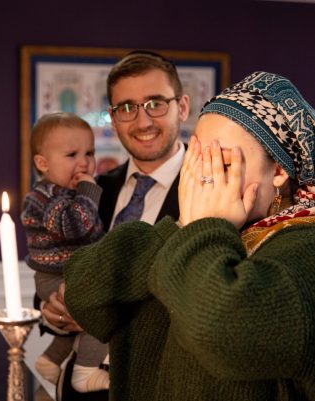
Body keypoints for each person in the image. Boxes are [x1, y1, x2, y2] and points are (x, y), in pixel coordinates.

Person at [63, 71, 315, 401]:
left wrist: (204, 227)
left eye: (219, 162)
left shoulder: (303, 246)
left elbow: (218, 329)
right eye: (197, 161)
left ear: (279, 170)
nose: (202, 181)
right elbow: (83, 295)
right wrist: (182, 225)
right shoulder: (194, 229)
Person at [41, 50, 190, 400]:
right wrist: (51, 309)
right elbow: (55, 262)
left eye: (155, 103)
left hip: (157, 386)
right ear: (112, 116)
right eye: (126, 107)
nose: (142, 122)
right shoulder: (92, 190)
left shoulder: (212, 194)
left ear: (182, 107)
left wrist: (99, 313)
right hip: (78, 386)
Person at [20, 112, 109, 393]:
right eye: (72, 154)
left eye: (90, 153)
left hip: (65, 274)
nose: (84, 163)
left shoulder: (68, 195)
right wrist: (89, 192)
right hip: (53, 277)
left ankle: (50, 358)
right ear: (42, 163)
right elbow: (73, 226)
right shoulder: (45, 197)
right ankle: (85, 371)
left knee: (81, 316)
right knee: (100, 307)